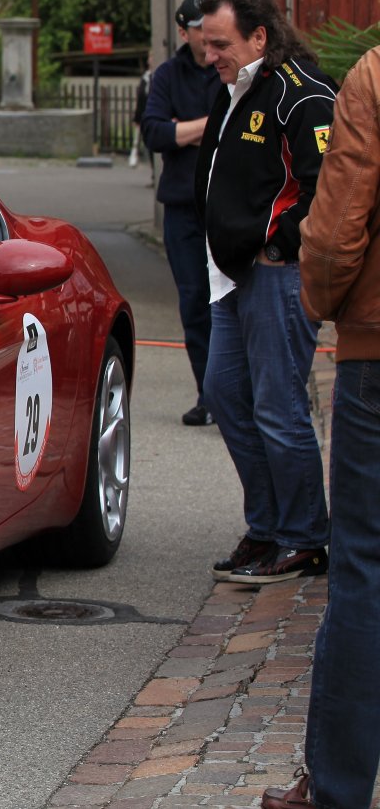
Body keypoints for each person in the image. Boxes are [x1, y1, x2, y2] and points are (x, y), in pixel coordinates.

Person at [265, 44, 380, 809]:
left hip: (378, 349)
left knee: (365, 567)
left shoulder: (375, 76)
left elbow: (335, 234)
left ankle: (338, 789)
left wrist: (322, 303)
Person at [194, 0, 335, 586]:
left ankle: (303, 539)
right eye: (205, 44)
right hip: (231, 274)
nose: (209, 56)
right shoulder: (236, 87)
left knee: (278, 407)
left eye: (220, 44)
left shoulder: (301, 95)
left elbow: (329, 188)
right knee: (226, 395)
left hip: (275, 276)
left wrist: (281, 246)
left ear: (259, 36)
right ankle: (269, 527)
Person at [142, 0, 223, 427]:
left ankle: (235, 396)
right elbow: (155, 133)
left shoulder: (231, 68)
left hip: (226, 205)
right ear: (183, 32)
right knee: (194, 301)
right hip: (182, 205)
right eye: (198, 30)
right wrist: (209, 125)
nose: (206, 38)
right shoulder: (168, 75)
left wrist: (184, 130)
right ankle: (208, 397)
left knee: (229, 300)